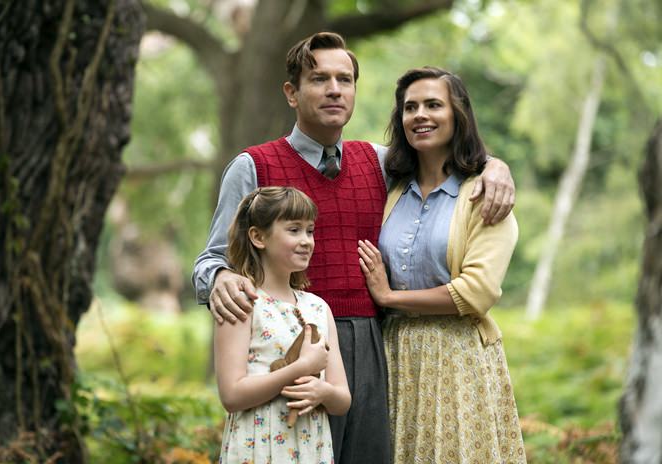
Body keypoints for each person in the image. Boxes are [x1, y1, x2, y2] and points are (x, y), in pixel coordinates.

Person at [194, 32, 516, 463]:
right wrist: (220, 277)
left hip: (370, 344)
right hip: (288, 347)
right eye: (319, 79)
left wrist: (495, 166)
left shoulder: (381, 164)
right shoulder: (253, 166)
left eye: (344, 80)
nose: (333, 90)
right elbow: (212, 258)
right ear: (292, 92)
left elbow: (442, 155)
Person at [357, 66, 525, 463]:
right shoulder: (390, 188)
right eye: (410, 107)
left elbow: (476, 292)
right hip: (394, 356)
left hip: (456, 358)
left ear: (458, 115)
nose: (420, 115)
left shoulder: (485, 194)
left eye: (433, 104)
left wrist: (388, 296)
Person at [215, 186, 350, 463]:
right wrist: (301, 368)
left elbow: (342, 398)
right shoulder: (242, 302)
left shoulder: (318, 308)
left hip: (310, 447)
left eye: (310, 231)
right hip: (258, 448)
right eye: (294, 230)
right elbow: (231, 394)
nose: (306, 241)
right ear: (258, 236)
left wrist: (322, 392)